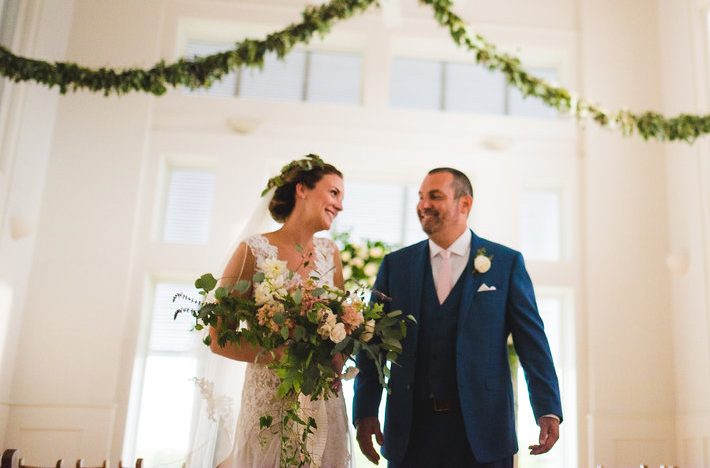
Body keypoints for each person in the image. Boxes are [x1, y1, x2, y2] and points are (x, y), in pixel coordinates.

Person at [353, 167, 562, 467]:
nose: (423, 204)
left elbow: (533, 343)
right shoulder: (395, 266)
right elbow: (371, 344)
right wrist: (366, 411)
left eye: (434, 196)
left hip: (484, 431)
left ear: (465, 204)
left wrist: (547, 409)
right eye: (421, 196)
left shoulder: (505, 263)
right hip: (410, 431)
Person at [210, 155, 352, 468]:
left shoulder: (331, 254)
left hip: (323, 402)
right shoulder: (253, 250)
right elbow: (219, 337)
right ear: (302, 189)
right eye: (334, 193)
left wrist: (337, 357)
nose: (340, 205)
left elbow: (340, 329)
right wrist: (283, 356)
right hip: (269, 404)